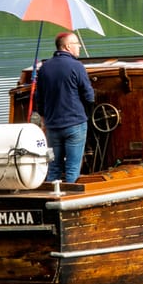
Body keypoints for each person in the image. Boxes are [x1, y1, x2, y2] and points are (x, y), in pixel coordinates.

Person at [34, 30, 95, 184]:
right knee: (73, 168)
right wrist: (85, 115)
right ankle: (71, 202)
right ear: (68, 46)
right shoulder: (77, 66)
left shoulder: (44, 68)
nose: (79, 47)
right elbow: (89, 96)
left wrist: (44, 120)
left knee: (53, 167)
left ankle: (50, 196)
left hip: (52, 128)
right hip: (75, 126)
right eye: (77, 44)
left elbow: (39, 99)